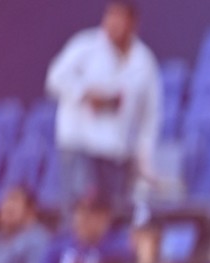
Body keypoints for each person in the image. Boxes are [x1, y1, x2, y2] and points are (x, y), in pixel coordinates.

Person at [45, 1, 161, 217]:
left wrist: (144, 158)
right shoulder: (84, 46)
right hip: (80, 147)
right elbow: (54, 79)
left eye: (120, 18)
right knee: (79, 213)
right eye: (110, 16)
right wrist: (85, 93)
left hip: (117, 153)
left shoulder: (144, 60)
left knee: (114, 215)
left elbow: (150, 116)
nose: (114, 24)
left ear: (133, 23)